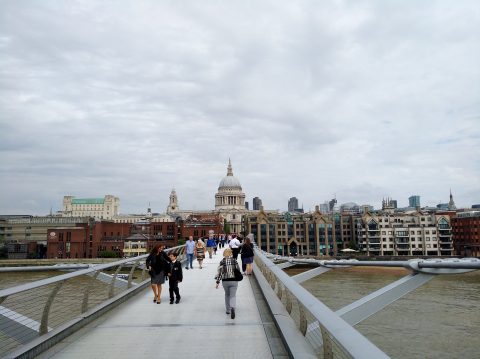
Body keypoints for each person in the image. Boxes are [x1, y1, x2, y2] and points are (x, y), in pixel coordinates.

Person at [215, 248, 241, 319]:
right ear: (231, 253)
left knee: (227, 295)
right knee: (233, 295)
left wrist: (217, 282)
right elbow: (238, 270)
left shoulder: (222, 261)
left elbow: (220, 273)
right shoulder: (234, 260)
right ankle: (232, 307)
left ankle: (228, 310)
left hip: (225, 281)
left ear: (224, 253)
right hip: (234, 281)